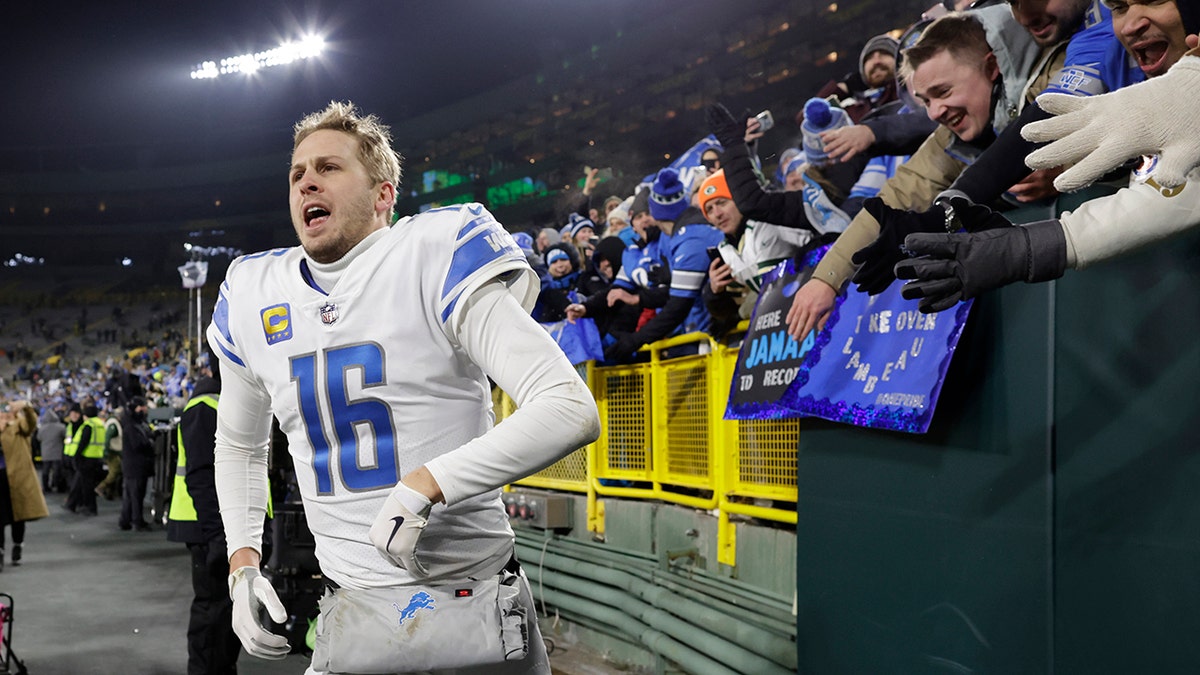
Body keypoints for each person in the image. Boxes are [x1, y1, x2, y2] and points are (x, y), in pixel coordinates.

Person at [206, 101, 599, 675]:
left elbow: (568, 407)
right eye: (297, 174)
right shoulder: (252, 289)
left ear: (384, 194)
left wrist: (427, 484)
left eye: (329, 167)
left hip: (471, 600)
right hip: (351, 605)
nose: (306, 180)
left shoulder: (434, 251)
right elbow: (240, 444)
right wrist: (243, 562)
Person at [894, 0, 1199, 310]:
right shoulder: (1099, 38)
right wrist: (1023, 247)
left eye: (1154, 0)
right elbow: (1177, 192)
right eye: (1119, 7)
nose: (1131, 24)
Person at [783, 7, 1045, 340]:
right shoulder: (948, 138)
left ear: (992, 67)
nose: (935, 112)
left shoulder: (1054, 76)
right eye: (925, 100)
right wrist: (826, 279)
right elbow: (894, 198)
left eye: (944, 92)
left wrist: (1066, 166)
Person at [603, 167, 725, 361]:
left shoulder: (691, 239)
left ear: (659, 216)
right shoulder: (687, 233)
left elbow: (677, 306)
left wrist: (635, 340)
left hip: (709, 339)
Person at [168, 361, 241, 675]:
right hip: (211, 528)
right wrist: (217, 535)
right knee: (212, 614)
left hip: (226, 527)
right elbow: (199, 475)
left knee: (226, 614)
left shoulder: (224, 404)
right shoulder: (205, 407)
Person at [0, 401, 49, 568]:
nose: (3, 416)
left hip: (18, 478)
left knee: (18, 517)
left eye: (6, 413)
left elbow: (31, 423)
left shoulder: (19, 426)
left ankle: (17, 545)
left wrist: (25, 407)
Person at [118, 396, 154, 532]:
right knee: (136, 496)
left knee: (130, 495)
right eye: (142, 407)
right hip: (135, 466)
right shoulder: (131, 426)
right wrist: (150, 442)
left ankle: (125, 520)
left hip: (134, 466)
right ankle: (137, 522)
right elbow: (138, 444)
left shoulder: (134, 424)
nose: (144, 410)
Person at [64, 404, 105, 516]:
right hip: (97, 457)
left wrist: (76, 456)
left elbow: (83, 442)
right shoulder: (100, 424)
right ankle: (74, 504)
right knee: (82, 483)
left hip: (87, 458)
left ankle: (90, 508)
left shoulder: (89, 425)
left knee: (86, 485)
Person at [37, 409, 67, 493]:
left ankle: (45, 487)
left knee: (45, 470)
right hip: (57, 452)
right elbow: (65, 437)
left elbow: (39, 438)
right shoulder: (61, 427)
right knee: (57, 470)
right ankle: (57, 486)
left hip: (45, 452)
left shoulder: (42, 429)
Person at [96, 407, 123, 501]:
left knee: (114, 472)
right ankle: (101, 487)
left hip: (113, 452)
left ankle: (109, 492)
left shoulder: (112, 423)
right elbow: (108, 438)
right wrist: (106, 451)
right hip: (113, 452)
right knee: (114, 472)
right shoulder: (113, 424)